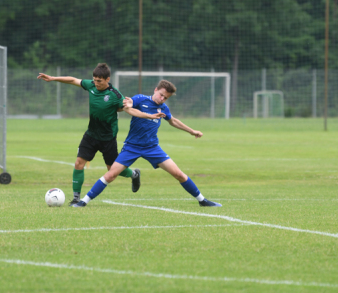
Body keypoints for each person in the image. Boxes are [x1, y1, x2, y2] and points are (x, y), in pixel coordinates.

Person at [70, 79, 221, 208]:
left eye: (166, 98)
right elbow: (129, 103)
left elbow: (173, 121)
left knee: (178, 173)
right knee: (111, 175)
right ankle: (83, 201)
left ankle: (202, 200)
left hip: (152, 148)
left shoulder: (163, 108)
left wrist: (192, 131)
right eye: (161, 95)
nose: (162, 99)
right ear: (155, 90)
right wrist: (128, 102)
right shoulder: (141, 99)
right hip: (131, 147)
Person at [37, 63, 140, 203]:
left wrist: (144, 114)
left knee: (113, 170)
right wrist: (53, 78)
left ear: (107, 79)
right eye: (95, 80)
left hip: (108, 138)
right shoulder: (91, 85)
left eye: (100, 81)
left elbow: (126, 108)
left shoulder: (115, 94)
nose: (96, 83)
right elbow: (73, 80)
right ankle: (75, 198)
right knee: (79, 163)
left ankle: (134, 174)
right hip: (91, 135)